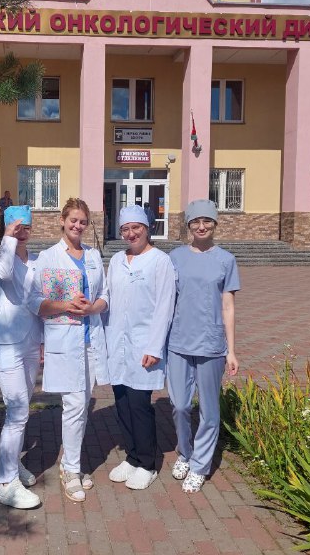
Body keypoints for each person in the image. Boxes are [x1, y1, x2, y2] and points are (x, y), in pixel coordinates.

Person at [27, 197, 109, 503]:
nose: (78, 226)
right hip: (64, 341)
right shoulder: (48, 257)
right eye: (73, 220)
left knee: (82, 404)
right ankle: (71, 469)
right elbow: (34, 302)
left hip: (90, 340)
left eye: (83, 222)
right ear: (62, 221)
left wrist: (92, 308)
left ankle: (70, 463)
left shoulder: (93, 255)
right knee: (74, 406)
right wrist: (67, 305)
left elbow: (105, 295)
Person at [167, 200, 240, 493]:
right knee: (179, 405)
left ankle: (200, 465)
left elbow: (228, 306)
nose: (201, 226)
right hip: (178, 342)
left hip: (211, 345)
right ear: (188, 225)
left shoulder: (226, 260)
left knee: (209, 410)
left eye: (207, 221)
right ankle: (185, 452)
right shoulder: (175, 257)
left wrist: (231, 350)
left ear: (215, 224)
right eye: (195, 221)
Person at [105, 205, 175, 490]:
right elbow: (108, 298)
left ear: (147, 229)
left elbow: (165, 306)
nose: (131, 233)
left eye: (136, 227)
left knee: (139, 405)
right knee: (121, 402)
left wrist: (155, 347)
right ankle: (132, 457)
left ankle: (147, 463)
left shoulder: (161, 261)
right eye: (125, 229)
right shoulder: (116, 261)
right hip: (117, 343)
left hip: (144, 345)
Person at [0, 205, 42, 509]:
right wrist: (8, 237)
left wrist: (44, 342)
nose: (23, 233)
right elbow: (4, 273)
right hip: (8, 343)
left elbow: (40, 301)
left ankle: (13, 465)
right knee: (17, 410)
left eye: (26, 227)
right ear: (8, 228)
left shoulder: (36, 260)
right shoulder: (0, 255)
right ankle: (6, 484)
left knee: (23, 410)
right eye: (17, 227)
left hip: (31, 342)